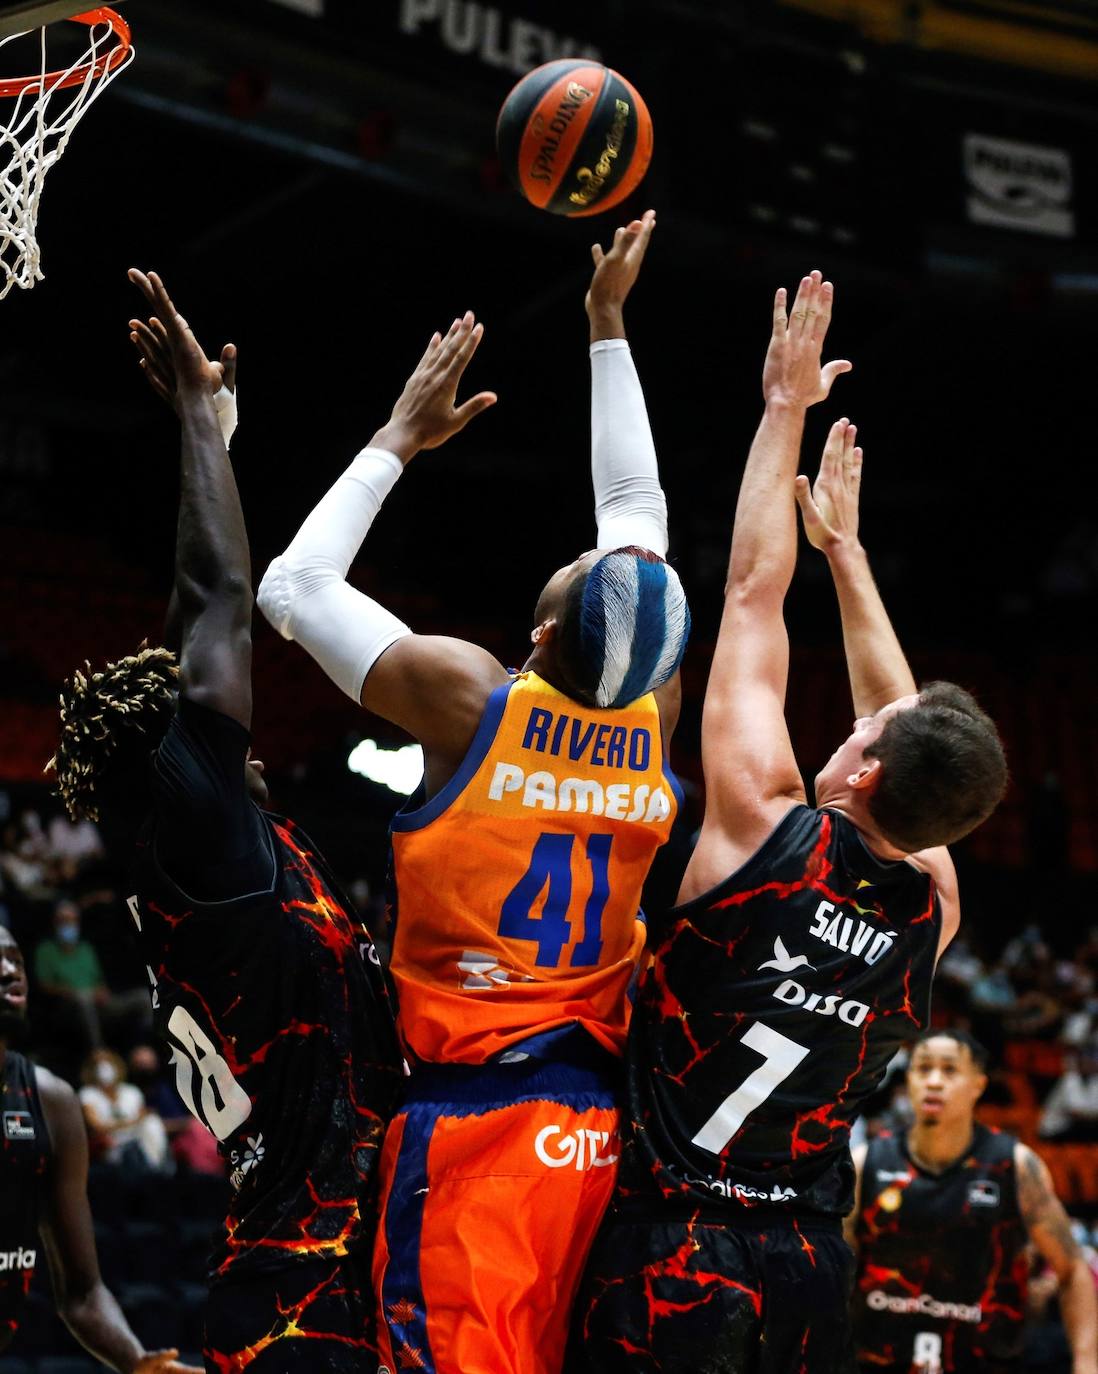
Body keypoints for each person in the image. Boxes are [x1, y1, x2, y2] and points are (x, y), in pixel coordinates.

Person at [258, 212, 690, 1374]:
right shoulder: (656, 716)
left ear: (546, 628)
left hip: (476, 1128)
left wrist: (396, 439)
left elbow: (291, 588)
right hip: (606, 1127)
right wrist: (606, 325)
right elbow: (636, 519)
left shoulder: (469, 698)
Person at [570, 274, 1009, 1372]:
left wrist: (782, 408)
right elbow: (901, 730)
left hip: (674, 1245)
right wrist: (852, 559)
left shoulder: (763, 825)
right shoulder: (935, 908)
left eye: (864, 736)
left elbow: (754, 595)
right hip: (811, 1265)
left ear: (861, 770)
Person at [49, 270, 402, 1371]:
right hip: (316, 1299)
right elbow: (214, 608)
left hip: (293, 1277)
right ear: (187, 764)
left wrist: (219, 451)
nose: (234, 734)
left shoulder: (188, 857)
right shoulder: (204, 845)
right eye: (209, 735)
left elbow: (179, 641)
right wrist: (200, 420)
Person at [0, 926, 197, 1370]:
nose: (9, 971)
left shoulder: (51, 1101)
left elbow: (82, 1293)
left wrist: (138, 1361)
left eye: (16, 959)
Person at [848, 1028, 1098, 1374]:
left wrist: (1087, 1364)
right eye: (922, 1069)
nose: (934, 1081)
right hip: (876, 1360)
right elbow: (834, 1274)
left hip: (982, 1360)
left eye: (949, 1070)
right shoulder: (867, 1163)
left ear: (978, 1085)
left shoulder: (1016, 1167)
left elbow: (1073, 1271)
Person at [35, 897, 150, 1051]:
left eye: (72, 921)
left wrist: (102, 991)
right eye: (63, 921)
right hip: (68, 1008)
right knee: (83, 999)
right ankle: (99, 1054)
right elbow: (44, 986)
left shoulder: (85, 949)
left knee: (143, 997)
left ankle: (143, 1049)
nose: (68, 925)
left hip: (98, 1005)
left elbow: (99, 981)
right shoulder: (45, 950)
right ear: (55, 923)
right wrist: (71, 993)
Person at [78, 1047, 171, 1171]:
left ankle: (157, 1169)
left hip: (137, 1139)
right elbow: (96, 1127)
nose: (104, 1068)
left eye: (107, 1062)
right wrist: (131, 1122)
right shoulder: (87, 1094)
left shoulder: (131, 1091)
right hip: (111, 1145)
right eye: (97, 1064)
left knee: (152, 1123)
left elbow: (144, 1117)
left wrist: (127, 1124)